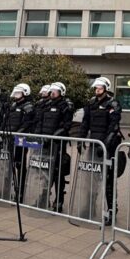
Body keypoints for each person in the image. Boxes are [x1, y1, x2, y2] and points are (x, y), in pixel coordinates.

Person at [79, 77, 122, 224]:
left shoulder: (113, 103)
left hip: (106, 147)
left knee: (108, 180)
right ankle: (89, 207)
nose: (97, 89)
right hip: (93, 145)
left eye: (100, 87)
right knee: (91, 178)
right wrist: (81, 139)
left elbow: (114, 126)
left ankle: (111, 211)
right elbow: (85, 123)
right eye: (96, 87)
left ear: (106, 88)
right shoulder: (91, 103)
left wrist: (105, 145)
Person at [34, 81, 74, 212]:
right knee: (45, 172)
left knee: (58, 173)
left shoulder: (65, 105)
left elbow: (66, 125)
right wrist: (38, 136)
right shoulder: (47, 104)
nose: (52, 93)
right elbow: (40, 122)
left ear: (61, 92)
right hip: (45, 144)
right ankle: (43, 198)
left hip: (57, 144)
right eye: (51, 91)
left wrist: (52, 137)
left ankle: (59, 201)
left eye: (55, 91)